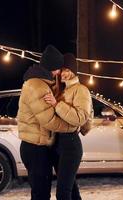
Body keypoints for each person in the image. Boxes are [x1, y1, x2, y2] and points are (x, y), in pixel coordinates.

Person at [17, 45, 77, 200]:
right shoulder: (37, 86)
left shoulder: (39, 83)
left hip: (37, 146)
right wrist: (70, 127)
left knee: (41, 193)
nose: (59, 72)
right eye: (58, 68)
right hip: (35, 148)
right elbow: (49, 121)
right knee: (41, 194)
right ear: (52, 67)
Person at [43, 53, 92, 200]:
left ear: (73, 71)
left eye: (67, 70)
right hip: (58, 143)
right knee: (72, 191)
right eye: (61, 70)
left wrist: (57, 104)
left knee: (63, 193)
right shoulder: (60, 90)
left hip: (70, 145)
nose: (63, 74)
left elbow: (80, 118)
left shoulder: (81, 90)